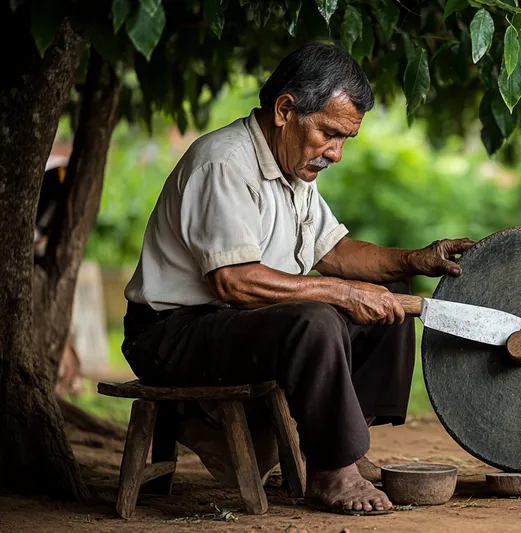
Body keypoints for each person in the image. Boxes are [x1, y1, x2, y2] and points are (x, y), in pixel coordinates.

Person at [121, 42, 473, 515]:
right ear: (286, 109)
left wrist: (416, 259)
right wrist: (342, 294)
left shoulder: (294, 173)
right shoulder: (224, 162)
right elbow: (234, 282)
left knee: (390, 297)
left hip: (233, 324)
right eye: (330, 133)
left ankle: (346, 447)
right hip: (169, 333)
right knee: (316, 320)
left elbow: (336, 252)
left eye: (345, 138)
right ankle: (332, 473)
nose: (337, 153)